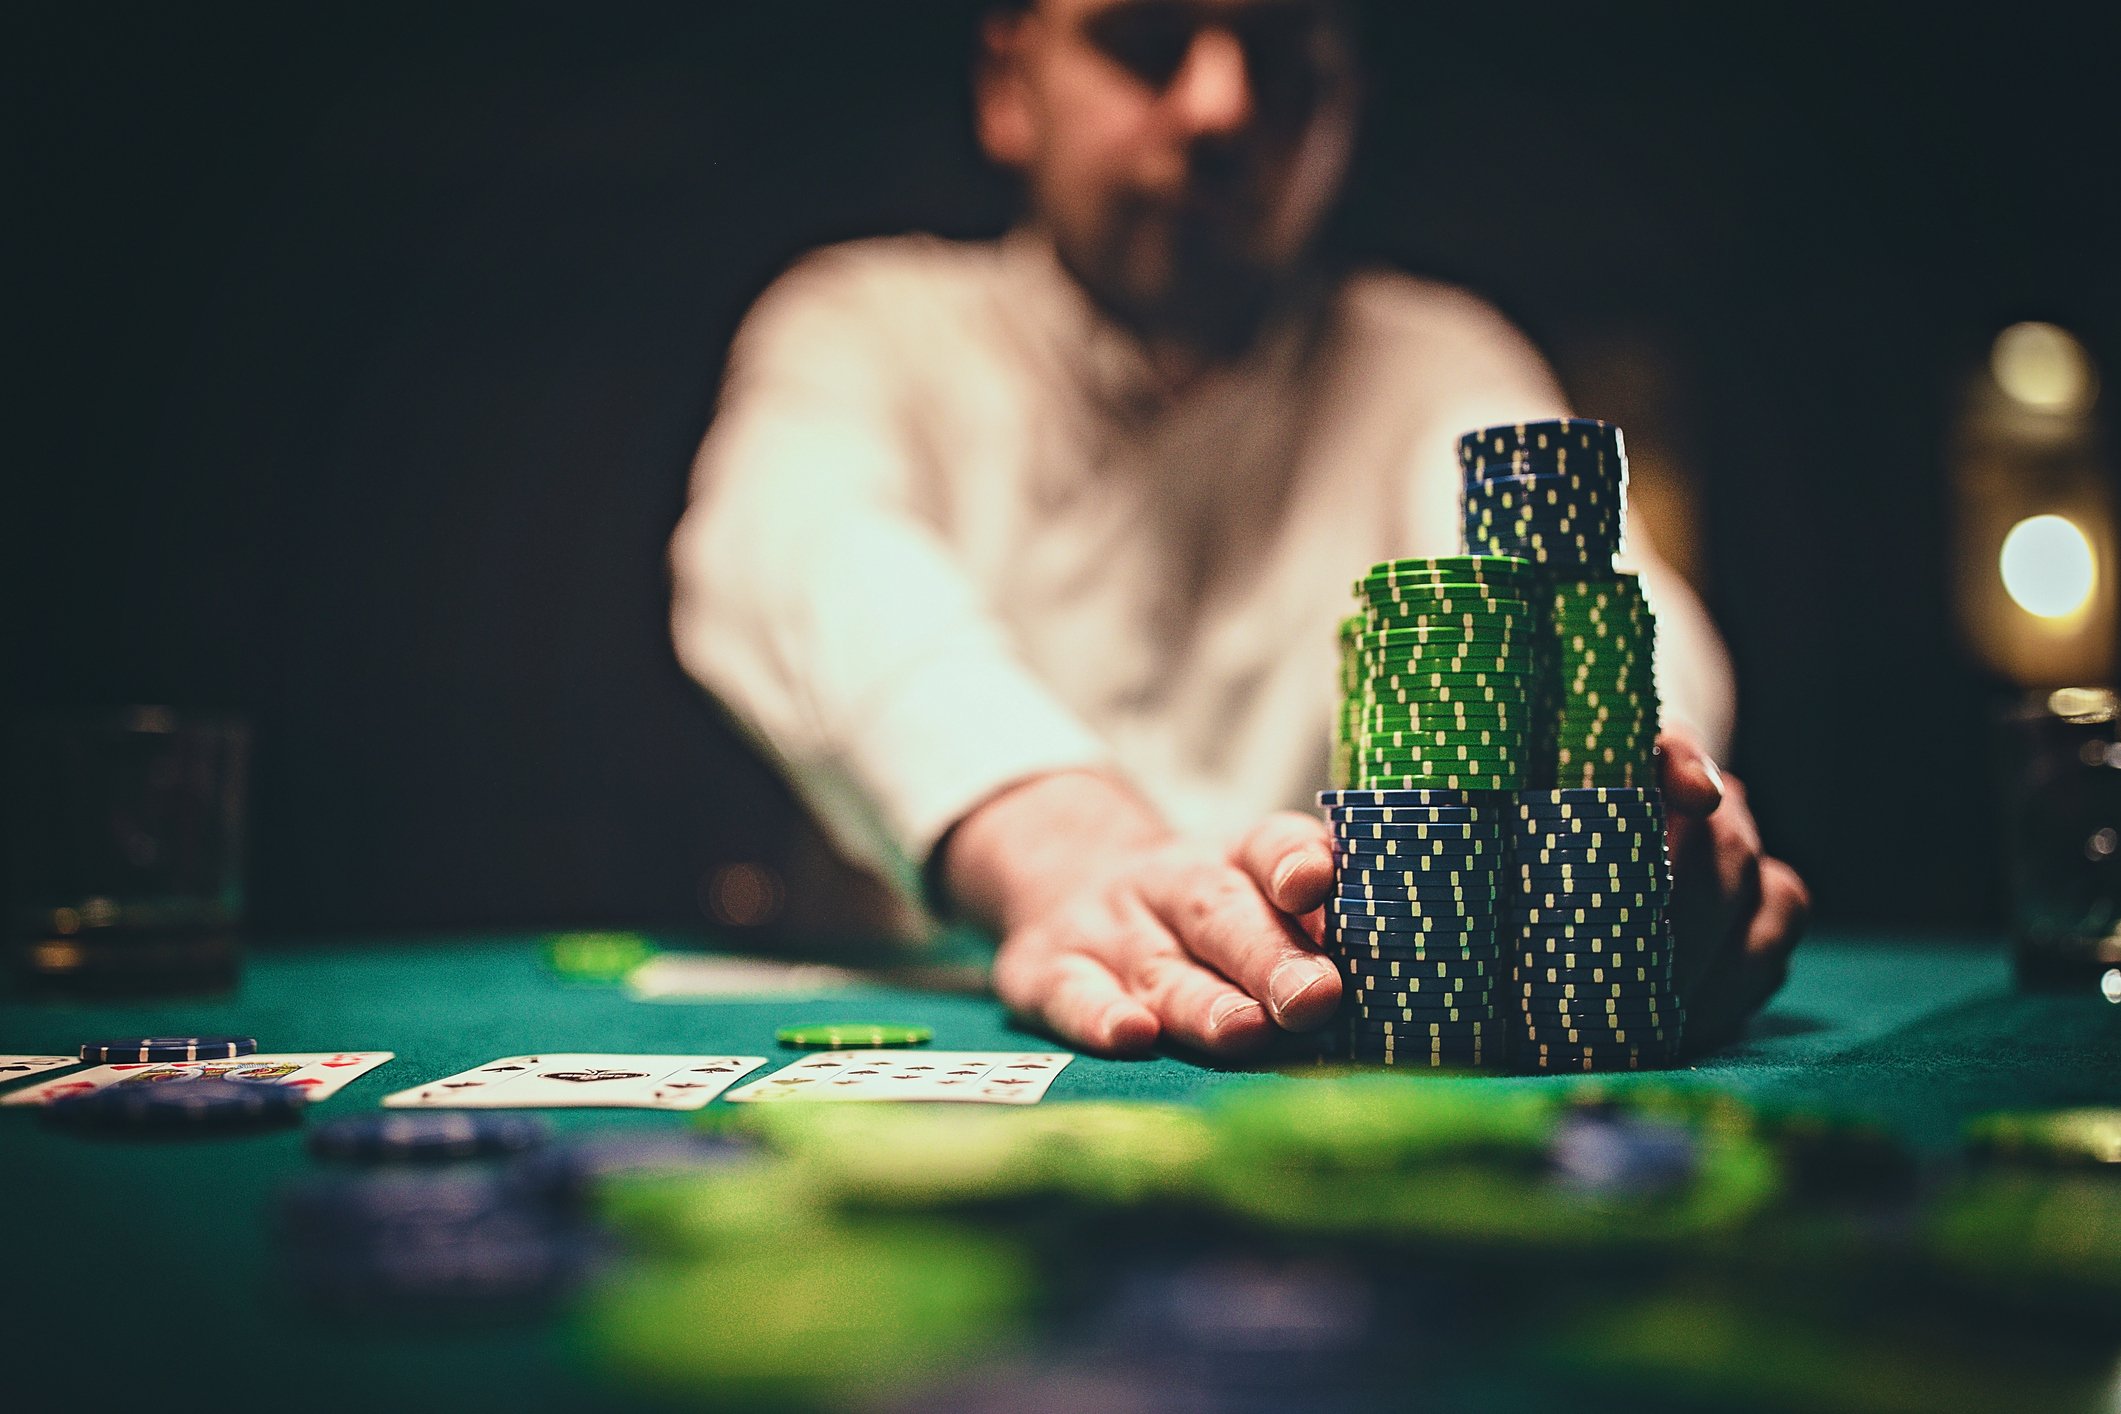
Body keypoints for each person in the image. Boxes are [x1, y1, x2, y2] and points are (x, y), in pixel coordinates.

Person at [669, 0, 1808, 1059]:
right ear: (1009, 89)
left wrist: (1641, 801)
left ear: (1346, 115)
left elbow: (1606, 599)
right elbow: (792, 553)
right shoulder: (860, 323)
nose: (1221, 106)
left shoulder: (1436, 359)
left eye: (1280, 54)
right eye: (1146, 38)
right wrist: (1060, 845)